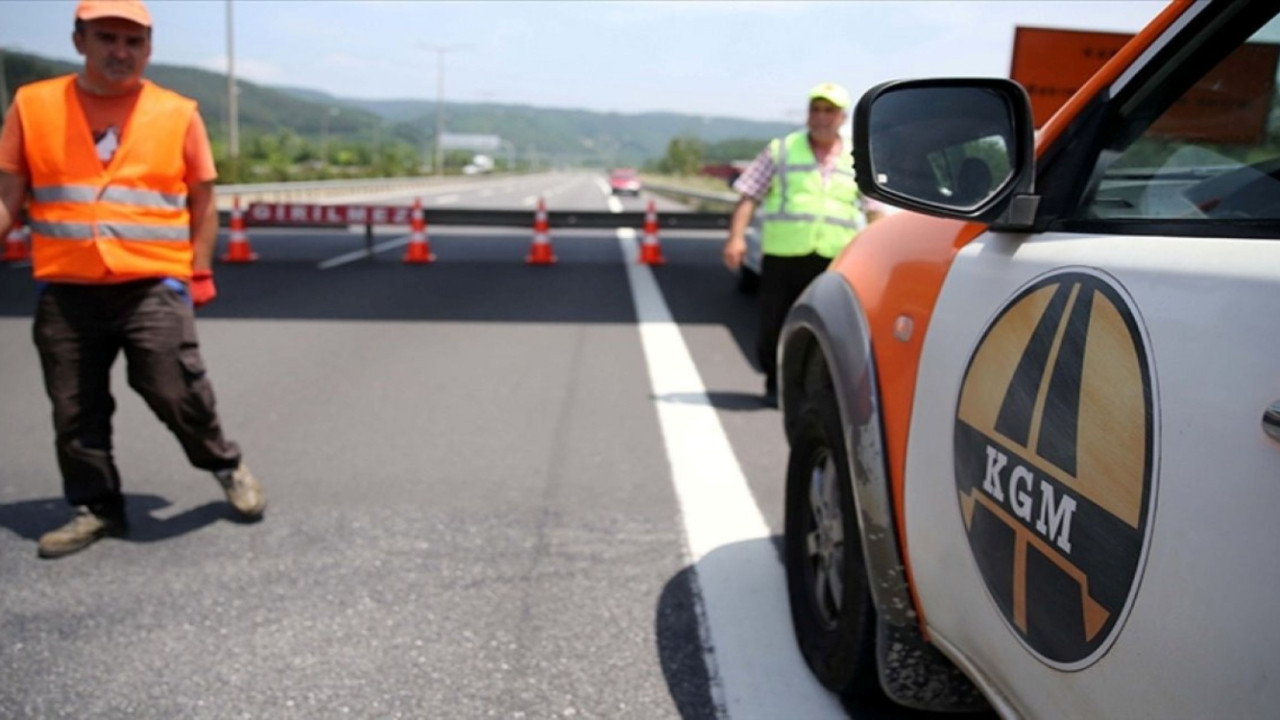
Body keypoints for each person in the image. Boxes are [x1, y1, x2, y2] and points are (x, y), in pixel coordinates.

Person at [0, 0, 265, 559]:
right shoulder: (33, 105)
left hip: (151, 283)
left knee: (174, 388)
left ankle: (224, 463)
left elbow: (203, 202)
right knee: (74, 408)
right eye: (107, 38)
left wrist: (198, 271)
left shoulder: (177, 112)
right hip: (68, 287)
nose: (120, 52)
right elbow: (9, 198)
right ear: (80, 41)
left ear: (148, 48)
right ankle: (98, 508)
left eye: (133, 42)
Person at [722, 82, 876, 407]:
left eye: (829, 111)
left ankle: (815, 389)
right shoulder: (782, 149)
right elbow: (749, 195)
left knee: (828, 327)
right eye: (815, 109)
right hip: (784, 255)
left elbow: (874, 209)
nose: (821, 117)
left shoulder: (858, 155)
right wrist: (736, 238)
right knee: (773, 324)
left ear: (842, 117)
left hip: (834, 258)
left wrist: (884, 256)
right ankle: (775, 382)